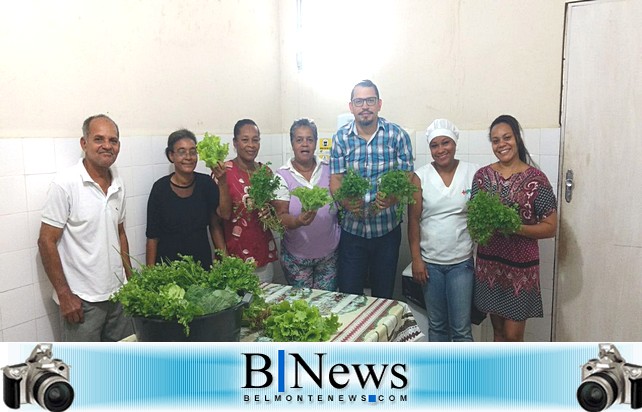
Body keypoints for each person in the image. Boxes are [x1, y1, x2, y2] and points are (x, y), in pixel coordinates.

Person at [37, 114, 133, 342]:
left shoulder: (118, 182)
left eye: (113, 140)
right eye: (99, 139)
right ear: (84, 143)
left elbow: (120, 232)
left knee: (123, 363)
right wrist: (64, 295)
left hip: (119, 296)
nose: (107, 146)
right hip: (82, 302)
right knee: (83, 368)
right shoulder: (66, 184)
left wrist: (131, 282)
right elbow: (45, 241)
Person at [472, 114, 557, 342]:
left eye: (506, 137)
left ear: (517, 138)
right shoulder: (482, 177)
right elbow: (474, 221)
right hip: (490, 265)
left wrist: (515, 227)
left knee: (513, 335)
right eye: (495, 140)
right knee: (497, 331)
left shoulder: (537, 179)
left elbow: (550, 227)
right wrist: (481, 226)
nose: (501, 145)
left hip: (521, 269)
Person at [329, 79, 414, 299]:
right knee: (349, 296)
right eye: (359, 101)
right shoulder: (340, 139)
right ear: (351, 107)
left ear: (379, 104)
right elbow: (335, 179)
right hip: (352, 232)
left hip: (386, 231)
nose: (365, 106)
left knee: (383, 295)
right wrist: (346, 202)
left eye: (370, 100)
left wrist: (393, 198)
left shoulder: (397, 136)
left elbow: (407, 177)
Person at [408, 119, 479, 342]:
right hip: (430, 265)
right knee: (437, 327)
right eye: (434, 145)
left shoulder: (472, 173)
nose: (440, 150)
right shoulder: (419, 177)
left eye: (445, 143)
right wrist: (416, 260)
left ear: (455, 143)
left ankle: (465, 376)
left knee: (461, 329)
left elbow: (479, 217)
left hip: (461, 263)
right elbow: (413, 220)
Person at [273, 119, 340, 290]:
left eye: (309, 139)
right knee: (303, 307)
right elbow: (280, 217)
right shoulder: (282, 176)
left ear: (315, 143)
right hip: (297, 259)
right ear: (292, 143)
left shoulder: (329, 169)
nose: (305, 144)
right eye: (299, 139)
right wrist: (298, 221)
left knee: (326, 304)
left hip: (329, 257)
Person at [145, 129, 226, 269]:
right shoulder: (160, 189)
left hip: (202, 267)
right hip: (169, 270)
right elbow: (152, 237)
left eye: (193, 151)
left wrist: (226, 261)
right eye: (182, 152)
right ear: (171, 155)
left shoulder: (205, 184)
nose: (188, 157)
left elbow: (217, 223)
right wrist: (150, 275)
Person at [216, 119, 278, 282]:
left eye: (255, 140)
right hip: (234, 257)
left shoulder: (265, 172)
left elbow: (275, 215)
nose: (251, 145)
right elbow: (222, 216)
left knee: (265, 304)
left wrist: (269, 213)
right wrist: (224, 257)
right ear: (235, 143)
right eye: (245, 140)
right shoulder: (224, 171)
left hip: (263, 253)